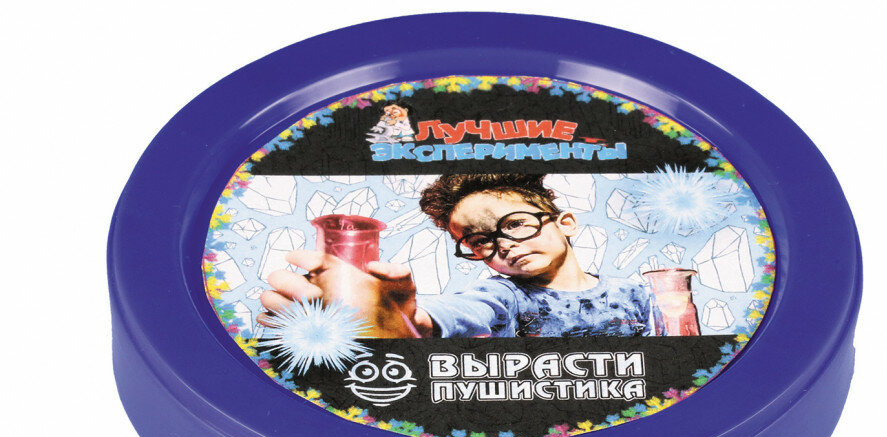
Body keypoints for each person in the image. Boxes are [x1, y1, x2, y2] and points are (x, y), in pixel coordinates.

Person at [257, 173, 661, 338]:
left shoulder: (637, 293)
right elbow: (454, 313)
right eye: (481, 241)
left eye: (516, 224)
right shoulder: (505, 296)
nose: (504, 245)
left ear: (566, 223)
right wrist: (401, 318)